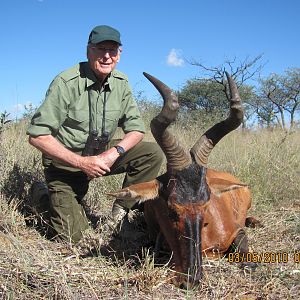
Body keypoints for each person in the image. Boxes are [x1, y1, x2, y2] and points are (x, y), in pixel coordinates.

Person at [27, 25, 164, 244]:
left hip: (102, 158)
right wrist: (81, 163)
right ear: (88, 51)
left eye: (113, 50)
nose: (107, 56)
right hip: (66, 166)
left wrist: (113, 153)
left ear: (120, 55)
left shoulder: (122, 82)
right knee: (73, 238)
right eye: (101, 49)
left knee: (152, 153)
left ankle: (121, 214)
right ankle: (42, 195)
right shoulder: (66, 82)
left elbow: (137, 129)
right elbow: (37, 135)